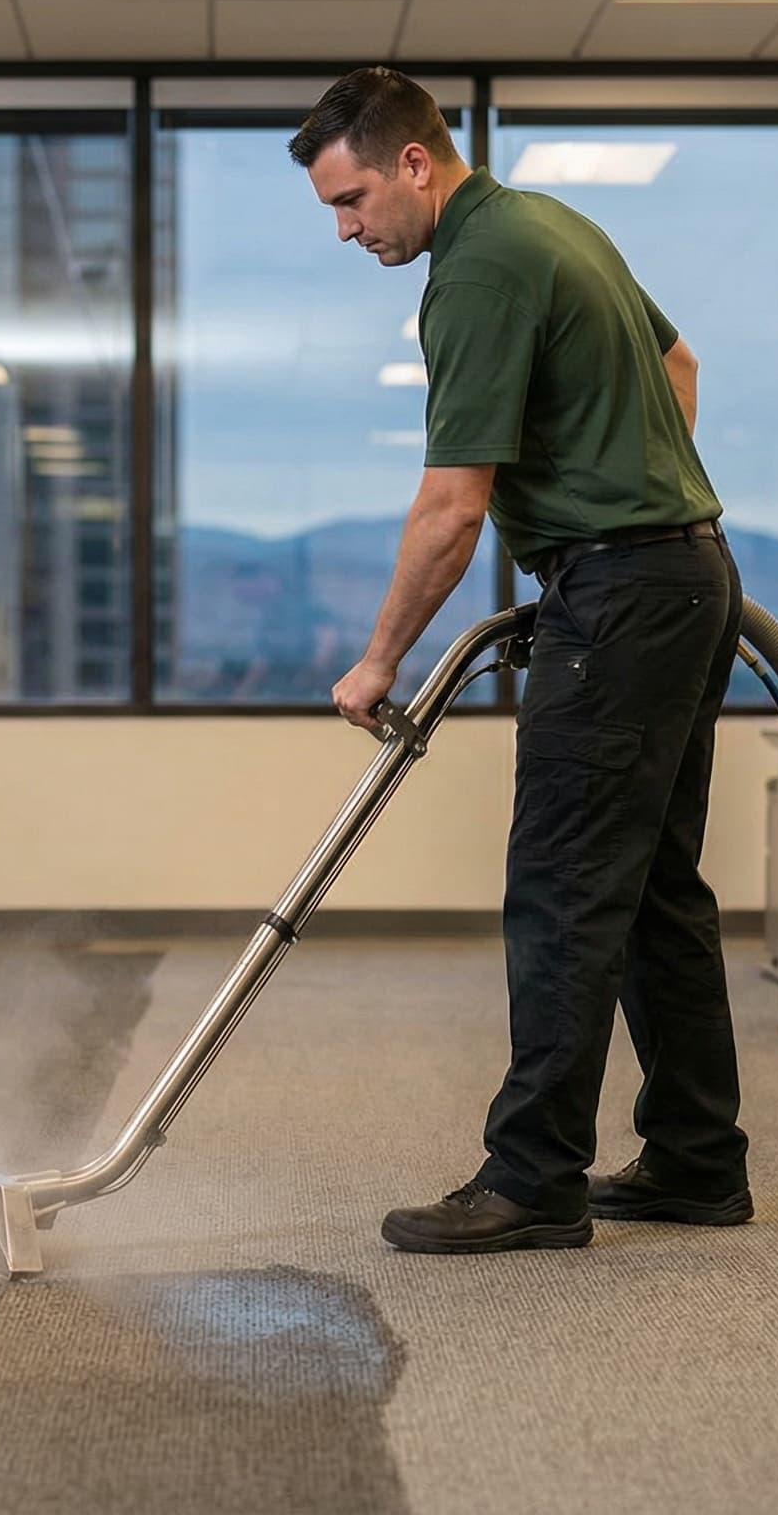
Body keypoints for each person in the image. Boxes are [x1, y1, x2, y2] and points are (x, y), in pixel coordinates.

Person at [292, 67, 750, 1254]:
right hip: (686, 576)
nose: (345, 230)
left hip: (623, 594)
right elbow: (681, 368)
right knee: (651, 884)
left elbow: (452, 506)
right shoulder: (553, 225)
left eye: (350, 200)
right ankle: (696, 1159)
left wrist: (377, 662)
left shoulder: (476, 271)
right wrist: (631, 497)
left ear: (412, 162)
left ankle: (536, 1178)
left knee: (563, 887)